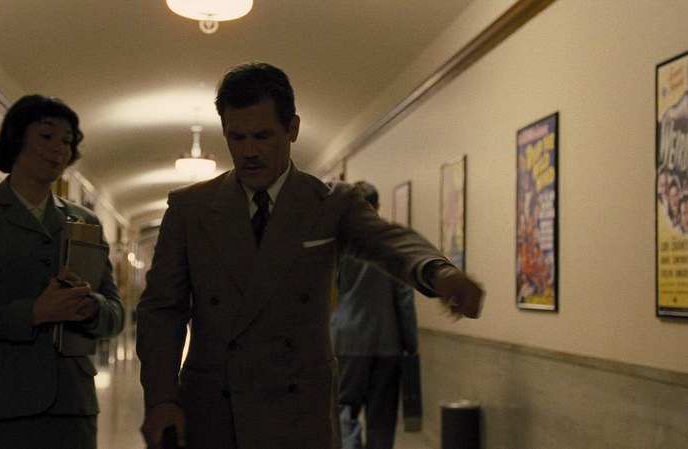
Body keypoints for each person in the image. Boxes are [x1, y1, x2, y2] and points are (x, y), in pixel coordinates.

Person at [136, 62, 483, 449]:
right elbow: (161, 310)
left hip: (300, 413)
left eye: (263, 136)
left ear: (293, 128)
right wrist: (161, 398)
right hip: (215, 412)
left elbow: (387, 240)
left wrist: (437, 271)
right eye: (237, 137)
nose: (249, 152)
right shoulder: (191, 209)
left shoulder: (329, 204)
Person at [0, 94, 125, 449]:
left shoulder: (85, 221)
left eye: (67, 141)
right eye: (47, 135)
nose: (59, 149)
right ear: (17, 137)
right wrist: (34, 313)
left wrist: (91, 307)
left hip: (71, 405)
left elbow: (115, 314)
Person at [331, 181, 419, 449]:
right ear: (377, 206)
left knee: (343, 407)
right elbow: (404, 298)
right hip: (387, 342)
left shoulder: (338, 243)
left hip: (346, 339)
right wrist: (410, 344)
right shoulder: (391, 243)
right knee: (382, 417)